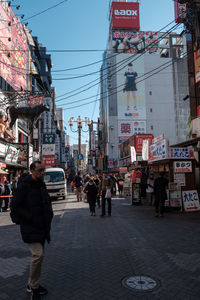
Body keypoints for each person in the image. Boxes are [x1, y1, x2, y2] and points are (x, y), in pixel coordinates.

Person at [10, 161, 53, 298]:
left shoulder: (41, 185)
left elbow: (46, 202)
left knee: (40, 258)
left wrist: (49, 214)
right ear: (32, 170)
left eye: (43, 170)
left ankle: (32, 283)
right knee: (38, 255)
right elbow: (15, 206)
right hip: (30, 226)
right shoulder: (24, 186)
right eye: (40, 170)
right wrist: (30, 217)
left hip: (42, 227)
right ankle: (34, 288)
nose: (42, 173)